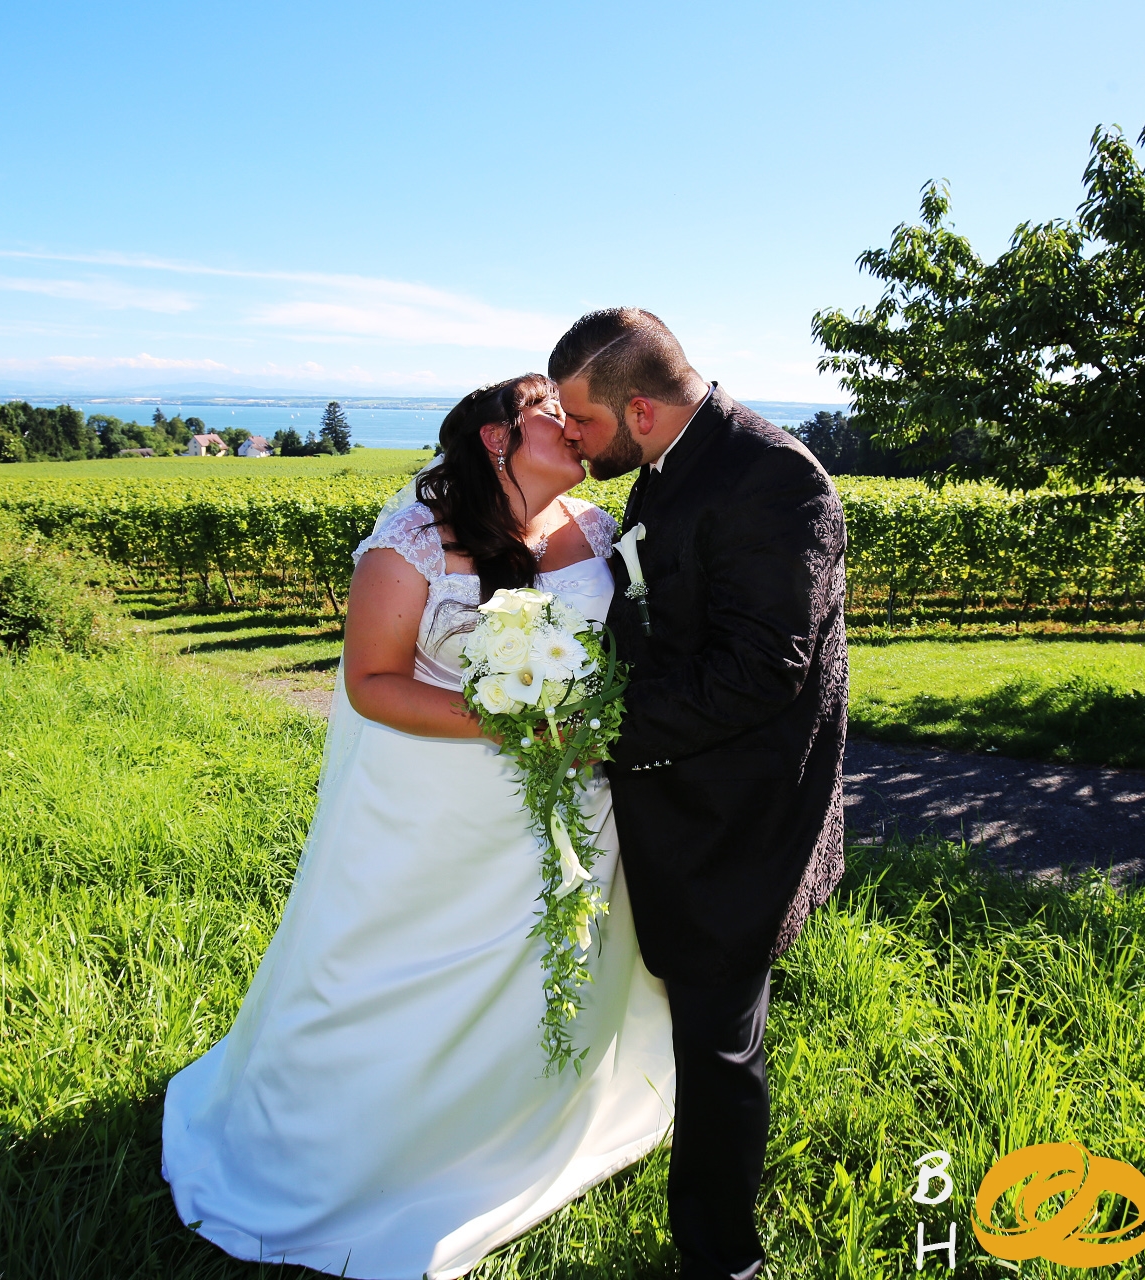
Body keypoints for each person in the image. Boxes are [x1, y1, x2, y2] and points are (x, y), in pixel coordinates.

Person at [160, 374, 675, 1279]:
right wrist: (522, 724)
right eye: (550, 410)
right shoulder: (410, 547)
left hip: (578, 803)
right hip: (441, 820)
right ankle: (363, 1154)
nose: (573, 423)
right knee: (396, 973)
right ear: (493, 437)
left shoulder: (596, 531)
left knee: (558, 964)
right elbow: (374, 683)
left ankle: (520, 1128)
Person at [550, 308, 849, 1280]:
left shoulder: (775, 478)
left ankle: (723, 1261)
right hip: (682, 807)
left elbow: (762, 672)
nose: (570, 440)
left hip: (743, 822)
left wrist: (595, 729)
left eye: (581, 423)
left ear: (639, 409)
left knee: (721, 1051)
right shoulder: (664, 467)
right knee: (701, 1024)